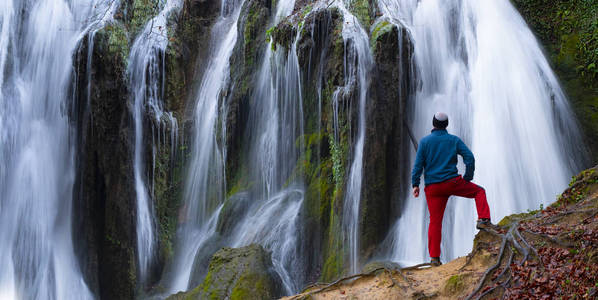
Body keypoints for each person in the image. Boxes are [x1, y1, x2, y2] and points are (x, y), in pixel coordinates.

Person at [411, 112, 494, 266]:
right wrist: (468, 177)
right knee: (479, 192)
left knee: (435, 222)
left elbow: (418, 166)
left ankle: (434, 259)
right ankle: (483, 220)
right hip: (452, 182)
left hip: (433, 188)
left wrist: (415, 184)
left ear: (433, 124)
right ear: (446, 125)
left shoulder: (424, 142)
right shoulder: (454, 140)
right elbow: (469, 158)